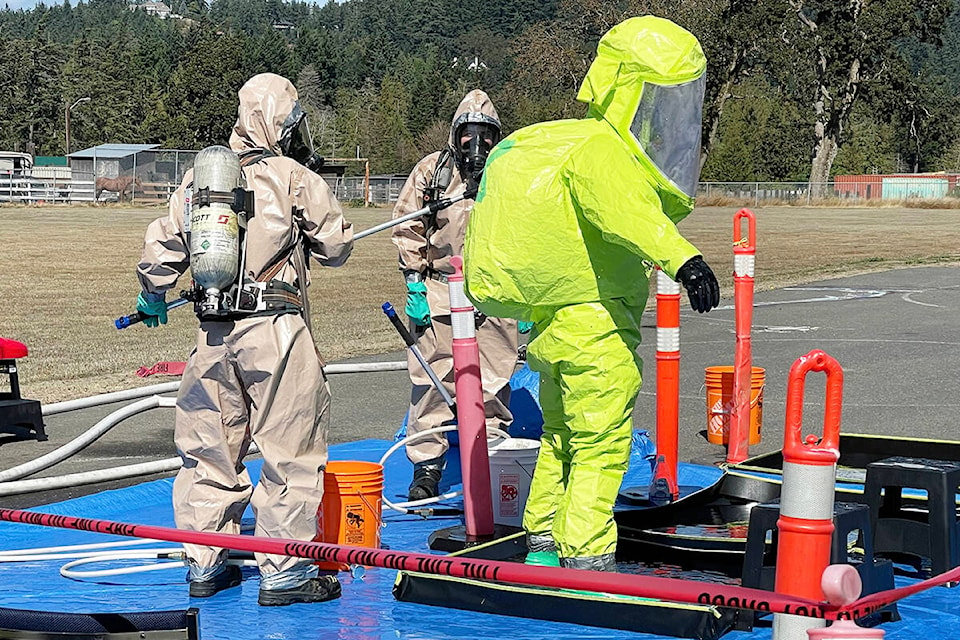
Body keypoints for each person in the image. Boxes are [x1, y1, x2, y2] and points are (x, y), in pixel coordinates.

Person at [463, 16, 720, 571]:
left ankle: (543, 538)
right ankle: (587, 553)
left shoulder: (573, 141)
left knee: (559, 437)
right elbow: (625, 213)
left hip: (554, 324)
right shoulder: (604, 151)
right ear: (634, 90)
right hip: (596, 327)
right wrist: (686, 261)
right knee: (600, 443)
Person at [135, 73, 354, 604]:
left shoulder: (199, 182)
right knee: (290, 447)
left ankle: (205, 562)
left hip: (212, 335)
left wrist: (152, 292)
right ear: (281, 120)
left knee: (208, 449)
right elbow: (336, 246)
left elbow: (162, 252)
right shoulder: (292, 176)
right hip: (275, 329)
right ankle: (284, 572)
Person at [391, 89, 524, 502]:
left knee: (494, 382)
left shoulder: (510, 172)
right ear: (455, 134)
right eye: (469, 134)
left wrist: (529, 297)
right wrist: (414, 282)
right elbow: (406, 226)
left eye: (486, 134)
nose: (477, 143)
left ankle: (491, 459)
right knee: (431, 381)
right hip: (438, 291)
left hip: (495, 294)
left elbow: (528, 234)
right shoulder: (431, 173)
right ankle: (428, 466)